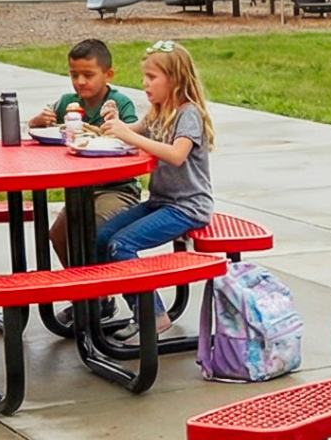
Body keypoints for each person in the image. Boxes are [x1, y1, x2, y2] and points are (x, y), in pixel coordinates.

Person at [94, 40, 216, 334]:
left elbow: (176, 155)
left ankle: (153, 316)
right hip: (162, 201)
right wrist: (115, 122)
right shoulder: (159, 111)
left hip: (188, 207)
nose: (145, 84)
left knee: (121, 245)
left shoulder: (188, 114)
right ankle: (138, 308)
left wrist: (128, 134)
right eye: (144, 77)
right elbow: (132, 133)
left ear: (174, 79)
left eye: (152, 77)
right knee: (102, 237)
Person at [29, 38, 142, 271]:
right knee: (58, 235)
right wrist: (38, 122)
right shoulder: (68, 103)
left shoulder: (120, 104)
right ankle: (87, 297)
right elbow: (45, 132)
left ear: (108, 74)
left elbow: (134, 141)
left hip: (117, 188)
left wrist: (114, 128)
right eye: (74, 75)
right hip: (80, 189)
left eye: (88, 75)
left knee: (93, 232)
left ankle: (97, 295)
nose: (80, 82)